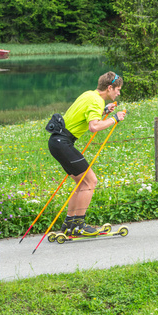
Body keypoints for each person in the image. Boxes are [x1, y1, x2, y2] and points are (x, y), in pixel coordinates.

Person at [48, 71, 126, 236]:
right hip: (63, 143)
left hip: (57, 142)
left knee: (82, 183)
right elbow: (94, 127)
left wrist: (104, 111)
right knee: (91, 181)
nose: (119, 93)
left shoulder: (89, 95)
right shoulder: (96, 100)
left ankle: (69, 224)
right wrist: (115, 119)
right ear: (110, 87)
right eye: (118, 89)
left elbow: (84, 115)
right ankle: (79, 225)